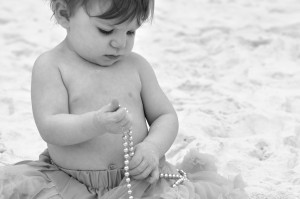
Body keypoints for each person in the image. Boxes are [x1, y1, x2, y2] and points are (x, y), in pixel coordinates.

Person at [0, 0, 248, 198]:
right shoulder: (52, 66)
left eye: (131, 31)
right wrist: (95, 123)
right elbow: (50, 126)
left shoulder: (136, 66)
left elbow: (165, 116)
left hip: (141, 183)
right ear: (65, 14)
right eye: (106, 30)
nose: (120, 43)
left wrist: (152, 148)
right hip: (69, 183)